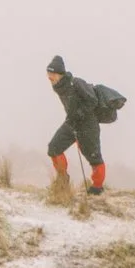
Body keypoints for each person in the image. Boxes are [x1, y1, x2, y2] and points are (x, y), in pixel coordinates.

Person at [45, 54, 108, 194]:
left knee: (94, 157)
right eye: (48, 74)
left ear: (60, 74)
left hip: (88, 125)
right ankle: (62, 181)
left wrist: (80, 113)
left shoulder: (76, 83)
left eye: (52, 74)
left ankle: (97, 188)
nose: (50, 77)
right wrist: (73, 117)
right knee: (53, 148)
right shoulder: (59, 87)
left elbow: (93, 101)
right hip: (72, 122)